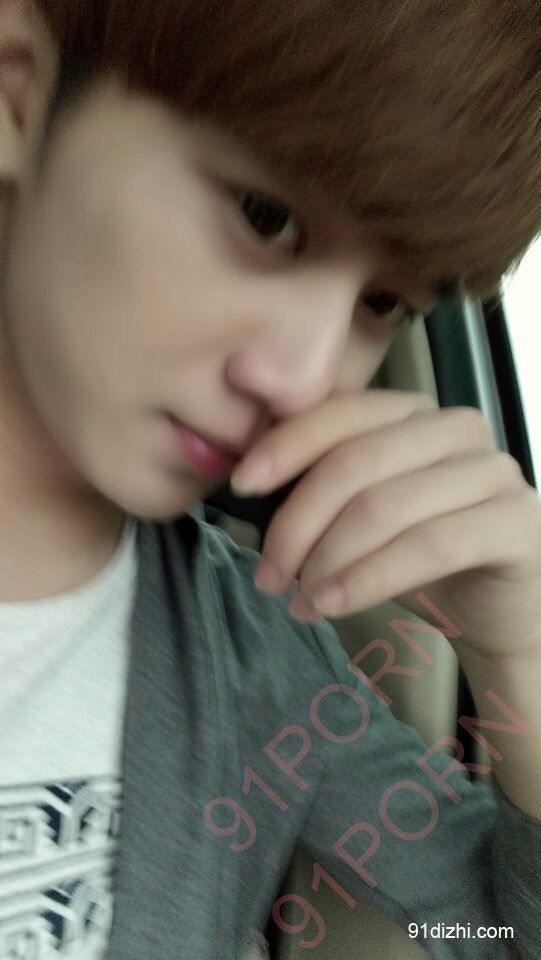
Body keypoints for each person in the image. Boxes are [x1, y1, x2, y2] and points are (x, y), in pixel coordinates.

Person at [1, 1, 540, 958]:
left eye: (383, 302)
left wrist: (529, 664)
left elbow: (491, 929)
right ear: (17, 94)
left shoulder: (255, 660)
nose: (303, 377)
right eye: (264, 217)